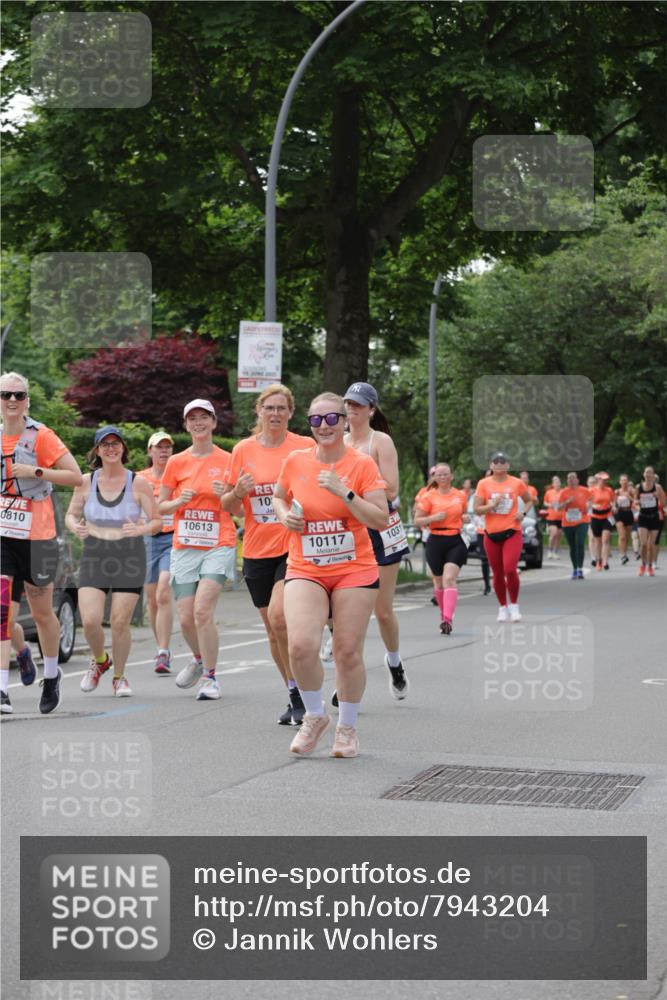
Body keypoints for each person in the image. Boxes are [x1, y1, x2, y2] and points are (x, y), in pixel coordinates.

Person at [272, 392, 388, 759]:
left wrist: (345, 492)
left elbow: (380, 519)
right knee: (300, 646)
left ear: (345, 420)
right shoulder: (296, 460)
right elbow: (278, 496)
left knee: (346, 651)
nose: (324, 426)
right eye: (316, 420)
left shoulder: (362, 464)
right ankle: (315, 715)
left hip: (354, 568)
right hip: (306, 566)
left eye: (332, 418)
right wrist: (285, 515)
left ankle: (347, 728)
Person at [222, 384, 313, 726]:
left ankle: (306, 690)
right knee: (273, 630)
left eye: (281, 408)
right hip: (256, 549)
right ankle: (294, 693)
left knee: (279, 617)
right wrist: (237, 492)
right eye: (269, 408)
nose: (275, 413)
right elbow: (228, 506)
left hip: (294, 546)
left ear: (290, 412)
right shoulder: (243, 450)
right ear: (259, 411)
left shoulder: (304, 446)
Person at [1, 371, 82, 715]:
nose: (12, 400)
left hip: (38, 538)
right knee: (3, 611)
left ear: (27, 401)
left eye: (19, 395)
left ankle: (50, 675)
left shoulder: (41, 436)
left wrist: (35, 471)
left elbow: (76, 477)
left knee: (42, 613)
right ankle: (2, 690)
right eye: (6, 395)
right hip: (4, 536)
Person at [66, 427, 161, 698]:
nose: (111, 448)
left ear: (123, 448)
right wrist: (75, 526)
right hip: (95, 552)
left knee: (119, 622)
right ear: (97, 450)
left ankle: (119, 677)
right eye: (105, 444)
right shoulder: (85, 482)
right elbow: (71, 515)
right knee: (90, 620)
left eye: (115, 443)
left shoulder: (138, 483)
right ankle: (100, 660)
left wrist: (140, 529)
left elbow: (157, 521)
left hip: (129, 554)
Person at [159, 399, 237, 699]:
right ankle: (199, 658)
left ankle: (210, 677)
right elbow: (161, 505)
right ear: (186, 425)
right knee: (185, 618)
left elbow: (240, 508)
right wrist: (178, 502)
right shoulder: (176, 462)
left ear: (214, 422)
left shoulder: (229, 459)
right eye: (192, 419)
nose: (199, 423)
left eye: (204, 417)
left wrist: (227, 494)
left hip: (219, 542)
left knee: (202, 610)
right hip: (185, 545)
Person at [343, 381, 410, 699]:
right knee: (345, 609)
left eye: (358, 405)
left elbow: (392, 489)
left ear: (371, 410)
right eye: (348, 404)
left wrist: (351, 490)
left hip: (381, 527)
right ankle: (346, 675)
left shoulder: (380, 441)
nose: (352, 410)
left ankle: (394, 662)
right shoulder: (339, 441)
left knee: (382, 611)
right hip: (347, 528)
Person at [473, 452, 534, 622]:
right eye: (496, 461)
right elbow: (477, 509)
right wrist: (492, 505)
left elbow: (529, 500)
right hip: (491, 534)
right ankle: (502, 607)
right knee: (497, 573)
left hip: (512, 531)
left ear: (508, 465)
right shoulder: (483, 484)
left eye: (503, 461)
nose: (499, 464)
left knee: (510, 569)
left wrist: (523, 512)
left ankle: (514, 605)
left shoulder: (517, 483)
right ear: (491, 465)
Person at [414, 463, 468, 633]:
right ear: (435, 477)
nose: (443, 477)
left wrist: (465, 517)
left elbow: (463, 513)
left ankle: (447, 619)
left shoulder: (460, 495)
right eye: (439, 474)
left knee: (449, 578)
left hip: (455, 540)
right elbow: (417, 521)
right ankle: (443, 615)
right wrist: (433, 518)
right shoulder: (428, 496)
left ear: (452, 476)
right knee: (438, 581)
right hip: (435, 540)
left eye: (446, 474)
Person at [138, 431, 176, 674]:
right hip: (147, 540)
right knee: (152, 601)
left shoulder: (179, 476)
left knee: (163, 592)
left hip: (173, 538)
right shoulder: (140, 478)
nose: (163, 451)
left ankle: (163, 651)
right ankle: (161, 648)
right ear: (150, 451)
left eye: (167, 447)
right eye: (158, 447)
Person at [557, 472, 591, 579]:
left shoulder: (584, 491)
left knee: (580, 543)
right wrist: (567, 502)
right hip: (568, 522)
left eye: (573, 478)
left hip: (582, 520)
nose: (571, 480)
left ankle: (580, 569)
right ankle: (575, 569)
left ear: (577, 480)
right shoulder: (564, 492)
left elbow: (590, 501)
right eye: (569, 478)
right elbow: (558, 507)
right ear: (567, 481)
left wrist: (588, 506)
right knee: (572, 546)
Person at [634, 466, 666, 577]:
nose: (648, 474)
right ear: (644, 474)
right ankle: (643, 565)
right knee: (643, 544)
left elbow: (664, 503)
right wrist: (638, 504)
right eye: (646, 472)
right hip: (643, 517)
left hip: (654, 517)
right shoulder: (638, 487)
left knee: (651, 545)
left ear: (653, 475)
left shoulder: (658, 487)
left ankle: (650, 567)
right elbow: (635, 502)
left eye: (650, 472)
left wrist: (658, 496)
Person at [589, 472, 615, 572]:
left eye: (606, 480)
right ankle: (598, 561)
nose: (605, 481)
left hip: (607, 517)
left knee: (606, 539)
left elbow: (613, 501)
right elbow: (587, 503)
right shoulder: (591, 490)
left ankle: (605, 562)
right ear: (598, 480)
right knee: (598, 541)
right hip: (595, 517)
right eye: (603, 480)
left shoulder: (609, 490)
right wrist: (593, 506)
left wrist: (614, 506)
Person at [613, 475, 635, 565]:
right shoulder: (617, 491)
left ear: (628, 481)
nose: (624, 482)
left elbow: (636, 501)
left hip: (628, 512)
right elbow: (613, 503)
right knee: (622, 536)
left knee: (627, 536)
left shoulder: (631, 491)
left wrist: (629, 497)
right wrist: (614, 507)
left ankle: (624, 553)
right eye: (622, 480)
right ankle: (622, 555)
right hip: (619, 513)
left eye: (626, 480)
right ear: (620, 482)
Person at [542, 476, 563, 560]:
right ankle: (550, 551)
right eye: (555, 482)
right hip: (551, 516)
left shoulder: (563, 492)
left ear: (560, 484)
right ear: (553, 484)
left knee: (559, 535)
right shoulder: (549, 492)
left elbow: (566, 502)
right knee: (554, 533)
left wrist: (562, 505)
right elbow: (545, 502)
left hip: (561, 516)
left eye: (558, 482)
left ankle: (555, 552)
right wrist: (550, 505)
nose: (557, 484)